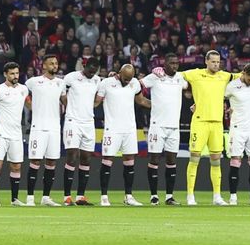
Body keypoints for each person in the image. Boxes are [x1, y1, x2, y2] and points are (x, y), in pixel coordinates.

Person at [181, 50, 236, 206]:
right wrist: (159, 72)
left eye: (218, 62)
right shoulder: (195, 74)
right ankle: (190, 195)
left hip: (217, 124)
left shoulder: (224, 76)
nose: (216, 64)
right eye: (213, 62)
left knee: (216, 160)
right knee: (195, 157)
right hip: (200, 122)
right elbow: (176, 75)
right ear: (206, 61)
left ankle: (217, 196)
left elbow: (242, 76)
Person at [138, 54, 188, 205]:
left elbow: (193, 86)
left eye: (176, 63)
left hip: (174, 127)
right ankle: (154, 196)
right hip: (157, 126)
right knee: (154, 160)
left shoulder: (180, 78)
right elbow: (137, 85)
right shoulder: (155, 76)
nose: (174, 66)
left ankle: (169, 196)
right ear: (164, 64)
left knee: (172, 161)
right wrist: (145, 102)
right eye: (171, 63)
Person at [95, 64, 143, 207]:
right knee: (107, 160)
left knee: (129, 160)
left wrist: (158, 106)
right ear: (119, 73)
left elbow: (141, 101)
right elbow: (96, 102)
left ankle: (128, 196)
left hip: (129, 129)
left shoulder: (134, 83)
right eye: (125, 78)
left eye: (130, 78)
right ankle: (104, 196)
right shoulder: (106, 83)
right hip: (112, 129)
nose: (128, 81)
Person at [23, 54, 66, 207]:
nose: (55, 65)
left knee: (52, 161)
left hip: (55, 127)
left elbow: (64, 100)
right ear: (44, 66)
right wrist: (30, 106)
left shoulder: (61, 83)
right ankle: (30, 197)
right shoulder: (34, 81)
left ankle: (46, 197)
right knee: (35, 161)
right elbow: (21, 93)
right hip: (38, 127)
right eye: (51, 63)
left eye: (56, 63)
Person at [224, 64, 250, 206]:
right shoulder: (231, 86)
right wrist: (225, 109)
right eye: (249, 78)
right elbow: (220, 98)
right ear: (243, 73)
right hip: (238, 128)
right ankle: (233, 197)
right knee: (236, 161)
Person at [60, 61, 101, 207]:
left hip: (89, 122)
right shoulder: (71, 77)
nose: (92, 73)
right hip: (73, 121)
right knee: (72, 155)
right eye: (90, 69)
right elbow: (61, 93)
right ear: (84, 66)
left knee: (86, 158)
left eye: (95, 70)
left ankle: (80, 196)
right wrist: (69, 106)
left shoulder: (97, 80)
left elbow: (98, 98)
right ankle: (66, 197)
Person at [0, 62, 28, 205]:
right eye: (12, 73)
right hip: (1, 134)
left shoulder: (24, 89)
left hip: (16, 134)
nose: (15, 76)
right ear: (5, 74)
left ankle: (14, 199)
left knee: (16, 166)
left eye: (17, 73)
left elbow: (28, 104)